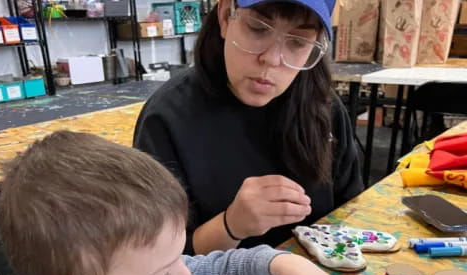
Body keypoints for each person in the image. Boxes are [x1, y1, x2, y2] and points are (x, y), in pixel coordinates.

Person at [0, 131, 351, 275]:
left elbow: (213, 270)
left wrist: (286, 265)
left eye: (177, 257)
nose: (183, 274)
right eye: (162, 273)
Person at [133, 0, 363, 256]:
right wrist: (231, 226)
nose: (272, 59)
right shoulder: (167, 118)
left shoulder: (324, 108)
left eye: (298, 42)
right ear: (224, 17)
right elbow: (155, 260)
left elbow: (350, 213)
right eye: (257, 28)